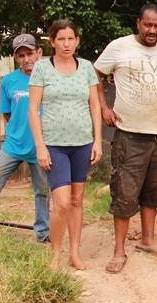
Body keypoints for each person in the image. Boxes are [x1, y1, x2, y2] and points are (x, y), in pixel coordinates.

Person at [94, 3, 157, 273]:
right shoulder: (119, 47)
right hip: (130, 134)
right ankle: (119, 251)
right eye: (148, 24)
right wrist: (103, 107)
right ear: (138, 23)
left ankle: (147, 240)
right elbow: (96, 74)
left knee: (154, 191)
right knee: (124, 193)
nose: (152, 30)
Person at [28, 20, 103, 270]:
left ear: (77, 41)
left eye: (71, 39)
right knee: (61, 202)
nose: (66, 44)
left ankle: (74, 253)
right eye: (61, 39)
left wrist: (98, 141)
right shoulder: (42, 68)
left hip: (82, 142)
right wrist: (40, 146)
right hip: (55, 145)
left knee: (78, 200)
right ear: (52, 42)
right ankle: (55, 254)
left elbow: (94, 105)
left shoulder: (86, 68)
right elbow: (33, 109)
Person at [0, 34, 50, 243]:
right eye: (21, 55)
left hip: (40, 147)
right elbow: (7, 113)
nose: (26, 59)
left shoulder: (50, 78)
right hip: (13, 145)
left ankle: (43, 233)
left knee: (42, 191)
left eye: (30, 53)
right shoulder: (9, 81)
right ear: (16, 58)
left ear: (39, 53)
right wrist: (18, 130)